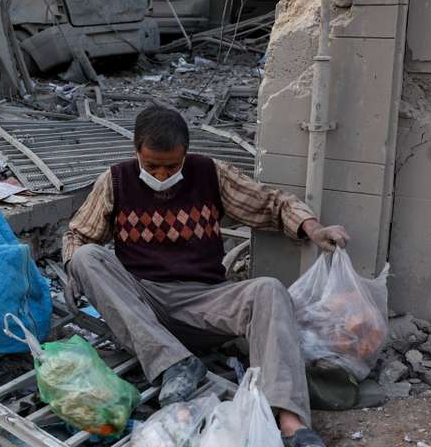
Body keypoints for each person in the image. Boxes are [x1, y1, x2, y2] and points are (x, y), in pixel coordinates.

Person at [62, 106, 349, 447]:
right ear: (136, 151)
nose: (162, 173)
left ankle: (291, 422)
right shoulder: (116, 180)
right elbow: (77, 236)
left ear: (186, 153)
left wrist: (313, 229)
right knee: (84, 257)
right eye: (152, 165)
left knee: (268, 290)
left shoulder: (210, 173)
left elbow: (271, 203)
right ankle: (175, 364)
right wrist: (73, 271)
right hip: (142, 304)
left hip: (203, 300)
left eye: (172, 165)